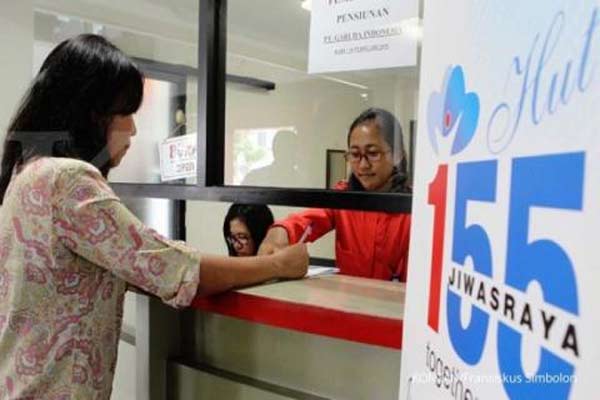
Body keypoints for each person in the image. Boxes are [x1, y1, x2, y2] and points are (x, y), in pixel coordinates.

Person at [0, 34, 308, 399]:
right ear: (91, 113)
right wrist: (280, 265)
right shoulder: (67, 179)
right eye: (126, 113)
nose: (133, 129)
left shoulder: (29, 171)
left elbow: (137, 263)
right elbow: (174, 269)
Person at [258, 108, 411, 281]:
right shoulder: (343, 197)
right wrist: (280, 231)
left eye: (373, 153)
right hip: (349, 301)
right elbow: (308, 220)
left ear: (398, 154)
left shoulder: (413, 206)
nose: (362, 165)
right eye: (354, 155)